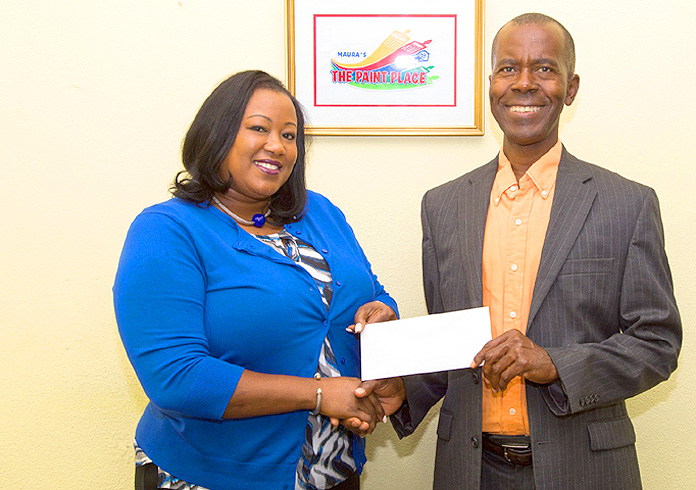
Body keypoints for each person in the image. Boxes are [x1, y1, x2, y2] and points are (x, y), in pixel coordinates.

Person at [351, 13, 682, 490]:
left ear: (570, 88)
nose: (524, 83)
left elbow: (657, 343)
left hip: (585, 472)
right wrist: (399, 390)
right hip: (470, 471)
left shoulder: (627, 203)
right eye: (508, 68)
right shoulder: (442, 206)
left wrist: (553, 364)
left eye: (544, 69)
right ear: (490, 85)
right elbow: (453, 349)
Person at [113, 70, 398, 490]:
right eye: (259, 129)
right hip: (213, 476)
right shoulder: (167, 231)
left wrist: (383, 314)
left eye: (289, 135)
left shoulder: (320, 213)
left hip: (333, 470)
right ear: (217, 135)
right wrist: (319, 394)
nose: (276, 146)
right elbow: (176, 377)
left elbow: (372, 292)